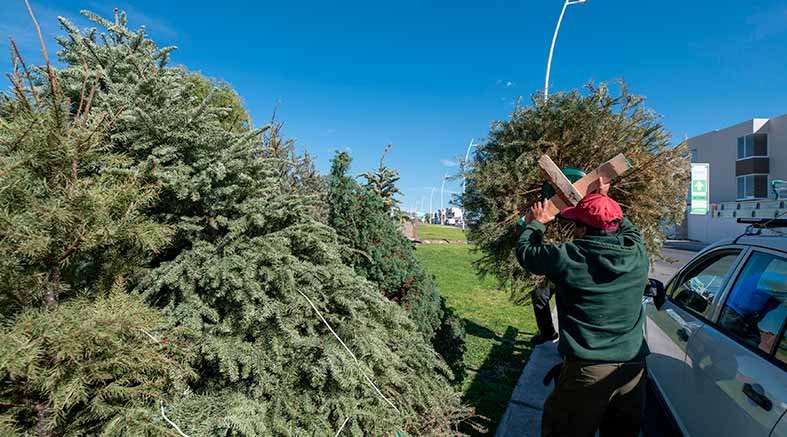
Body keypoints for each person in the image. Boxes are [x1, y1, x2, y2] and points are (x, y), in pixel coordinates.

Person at [516, 180, 650, 437]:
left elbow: (527, 253)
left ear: (582, 229)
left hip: (588, 374)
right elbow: (627, 227)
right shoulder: (638, 254)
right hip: (633, 370)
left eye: (576, 223)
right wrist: (605, 200)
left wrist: (537, 223)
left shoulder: (569, 257)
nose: (573, 229)